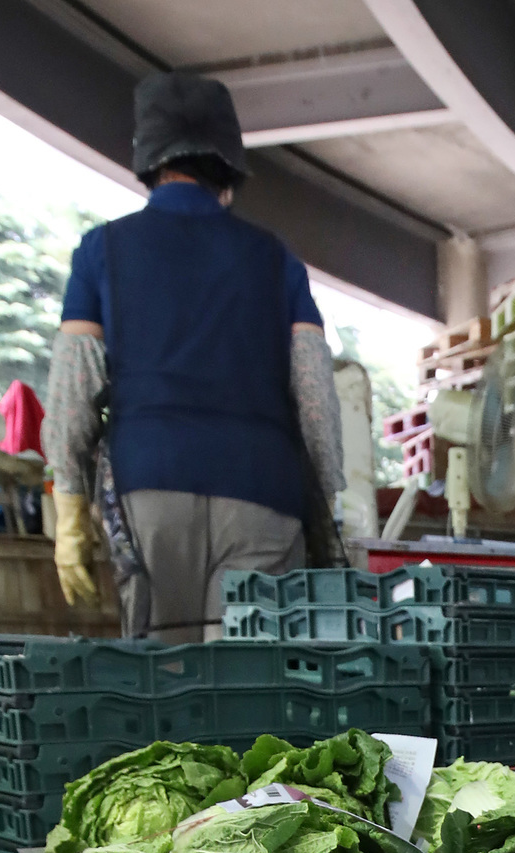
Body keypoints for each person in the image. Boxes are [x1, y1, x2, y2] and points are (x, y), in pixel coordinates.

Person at [44, 71, 345, 640]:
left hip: (149, 486)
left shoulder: (102, 250)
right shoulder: (276, 259)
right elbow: (315, 398)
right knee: (250, 689)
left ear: (150, 163)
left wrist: (70, 502)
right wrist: (327, 503)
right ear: (228, 169)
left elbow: (72, 388)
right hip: (264, 492)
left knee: (168, 688)